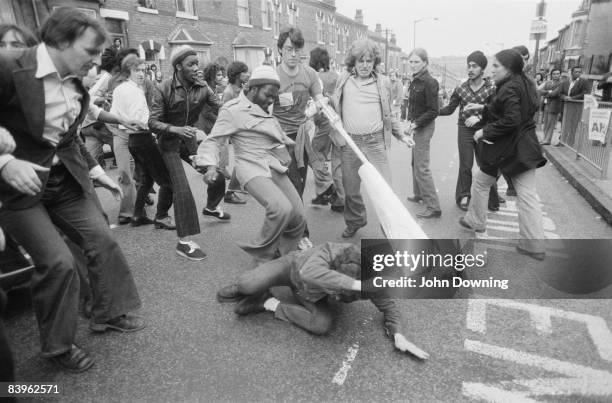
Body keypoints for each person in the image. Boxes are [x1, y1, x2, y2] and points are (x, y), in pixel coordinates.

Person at [0, 7, 146, 373]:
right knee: (59, 263)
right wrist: (5, 162)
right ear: (62, 41)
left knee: (102, 240)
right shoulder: (9, 66)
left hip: (63, 181)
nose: (97, 63)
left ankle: (106, 313)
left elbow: (68, 139)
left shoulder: (76, 84)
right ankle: (58, 347)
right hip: (19, 190)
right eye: (91, 53)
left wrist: (98, 172)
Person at [215, 242, 428, 358]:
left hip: (311, 294)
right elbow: (309, 272)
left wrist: (399, 335)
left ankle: (265, 302)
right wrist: (354, 285)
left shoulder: (374, 283)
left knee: (321, 324)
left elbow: (390, 310)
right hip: (292, 268)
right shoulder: (339, 251)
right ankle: (253, 283)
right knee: (246, 286)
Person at [195, 65, 306, 268]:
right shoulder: (232, 110)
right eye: (268, 95)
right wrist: (210, 166)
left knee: (298, 215)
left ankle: (281, 260)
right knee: (280, 209)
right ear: (253, 88)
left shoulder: (267, 104)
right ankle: (260, 266)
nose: (272, 100)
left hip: (273, 164)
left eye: (274, 96)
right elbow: (213, 140)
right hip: (250, 166)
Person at [461, 49, 547, 260]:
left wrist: (484, 131)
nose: (493, 69)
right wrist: (483, 110)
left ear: (509, 68)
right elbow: (505, 111)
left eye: (496, 66)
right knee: (520, 193)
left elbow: (511, 119)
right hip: (521, 147)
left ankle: (477, 221)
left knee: (484, 184)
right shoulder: (524, 83)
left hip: (508, 148)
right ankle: (533, 244)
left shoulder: (509, 87)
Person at [149, 45, 228, 261]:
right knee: (181, 188)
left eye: (197, 64)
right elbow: (152, 122)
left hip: (189, 141)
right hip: (168, 144)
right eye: (191, 64)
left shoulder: (202, 88)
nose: (196, 68)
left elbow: (222, 107)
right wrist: (175, 129)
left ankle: (211, 207)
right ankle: (184, 242)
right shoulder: (163, 88)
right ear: (178, 67)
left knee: (218, 175)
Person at [331, 40, 413, 238]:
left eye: (369, 60)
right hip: (350, 143)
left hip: (375, 142)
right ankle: (355, 220)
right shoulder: (343, 80)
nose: (365, 65)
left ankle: (391, 229)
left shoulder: (383, 82)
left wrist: (401, 134)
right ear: (354, 62)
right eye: (361, 61)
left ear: (374, 62)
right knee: (350, 190)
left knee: (385, 191)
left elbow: (389, 114)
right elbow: (334, 105)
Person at [272, 26, 324, 250]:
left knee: (299, 185)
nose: (293, 54)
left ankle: (286, 228)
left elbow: (320, 99)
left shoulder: (309, 74)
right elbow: (263, 110)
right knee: (292, 184)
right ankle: (301, 234)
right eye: (288, 49)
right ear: (280, 50)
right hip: (279, 139)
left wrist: (318, 107)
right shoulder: (273, 76)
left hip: (302, 138)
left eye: (297, 50)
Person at [439, 51, 501, 212]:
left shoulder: (492, 88)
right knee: (466, 165)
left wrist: (480, 116)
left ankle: (492, 197)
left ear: (482, 69)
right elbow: (449, 109)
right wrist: (433, 110)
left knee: (486, 164)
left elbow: (496, 110)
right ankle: (464, 195)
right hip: (465, 129)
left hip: (483, 129)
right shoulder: (461, 88)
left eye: (475, 66)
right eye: (469, 66)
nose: (470, 69)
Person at [405, 48, 442, 218]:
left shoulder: (429, 82)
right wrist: (410, 122)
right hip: (417, 125)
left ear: (425, 63)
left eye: (416, 62)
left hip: (424, 126)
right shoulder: (415, 80)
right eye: (411, 61)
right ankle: (419, 194)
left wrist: (416, 124)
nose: (412, 65)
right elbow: (414, 105)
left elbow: (433, 110)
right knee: (415, 163)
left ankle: (433, 206)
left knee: (422, 166)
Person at [308, 46, 343, 212]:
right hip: (335, 122)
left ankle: (329, 189)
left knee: (314, 155)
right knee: (333, 161)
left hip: (322, 121)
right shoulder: (336, 76)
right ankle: (324, 194)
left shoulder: (314, 76)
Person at [220, 61, 250, 205]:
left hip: (244, 128)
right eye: (244, 72)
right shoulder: (229, 92)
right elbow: (224, 112)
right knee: (243, 159)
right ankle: (230, 192)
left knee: (246, 158)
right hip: (235, 130)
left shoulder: (241, 88)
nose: (248, 74)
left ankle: (240, 186)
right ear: (237, 75)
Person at [538, 68, 563, 145]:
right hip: (546, 104)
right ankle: (545, 138)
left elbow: (555, 94)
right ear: (551, 75)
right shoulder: (548, 82)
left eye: (558, 74)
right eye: (554, 74)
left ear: (560, 75)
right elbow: (540, 91)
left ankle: (547, 140)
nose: (556, 75)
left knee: (551, 124)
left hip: (554, 105)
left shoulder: (561, 83)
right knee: (545, 123)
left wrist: (547, 93)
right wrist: (548, 92)